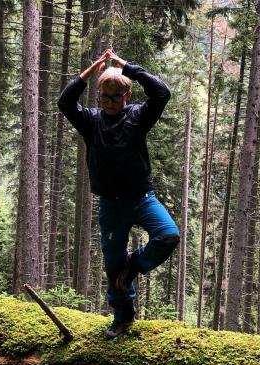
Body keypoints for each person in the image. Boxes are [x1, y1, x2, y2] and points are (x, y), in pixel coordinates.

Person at [57, 49, 180, 339]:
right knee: (113, 264)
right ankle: (122, 318)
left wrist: (126, 65)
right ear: (98, 97)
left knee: (168, 236)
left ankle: (133, 264)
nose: (110, 102)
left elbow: (161, 93)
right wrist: (92, 70)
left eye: (116, 96)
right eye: (105, 97)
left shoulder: (138, 116)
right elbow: (65, 102)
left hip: (142, 198)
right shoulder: (90, 121)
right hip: (110, 206)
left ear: (127, 96)